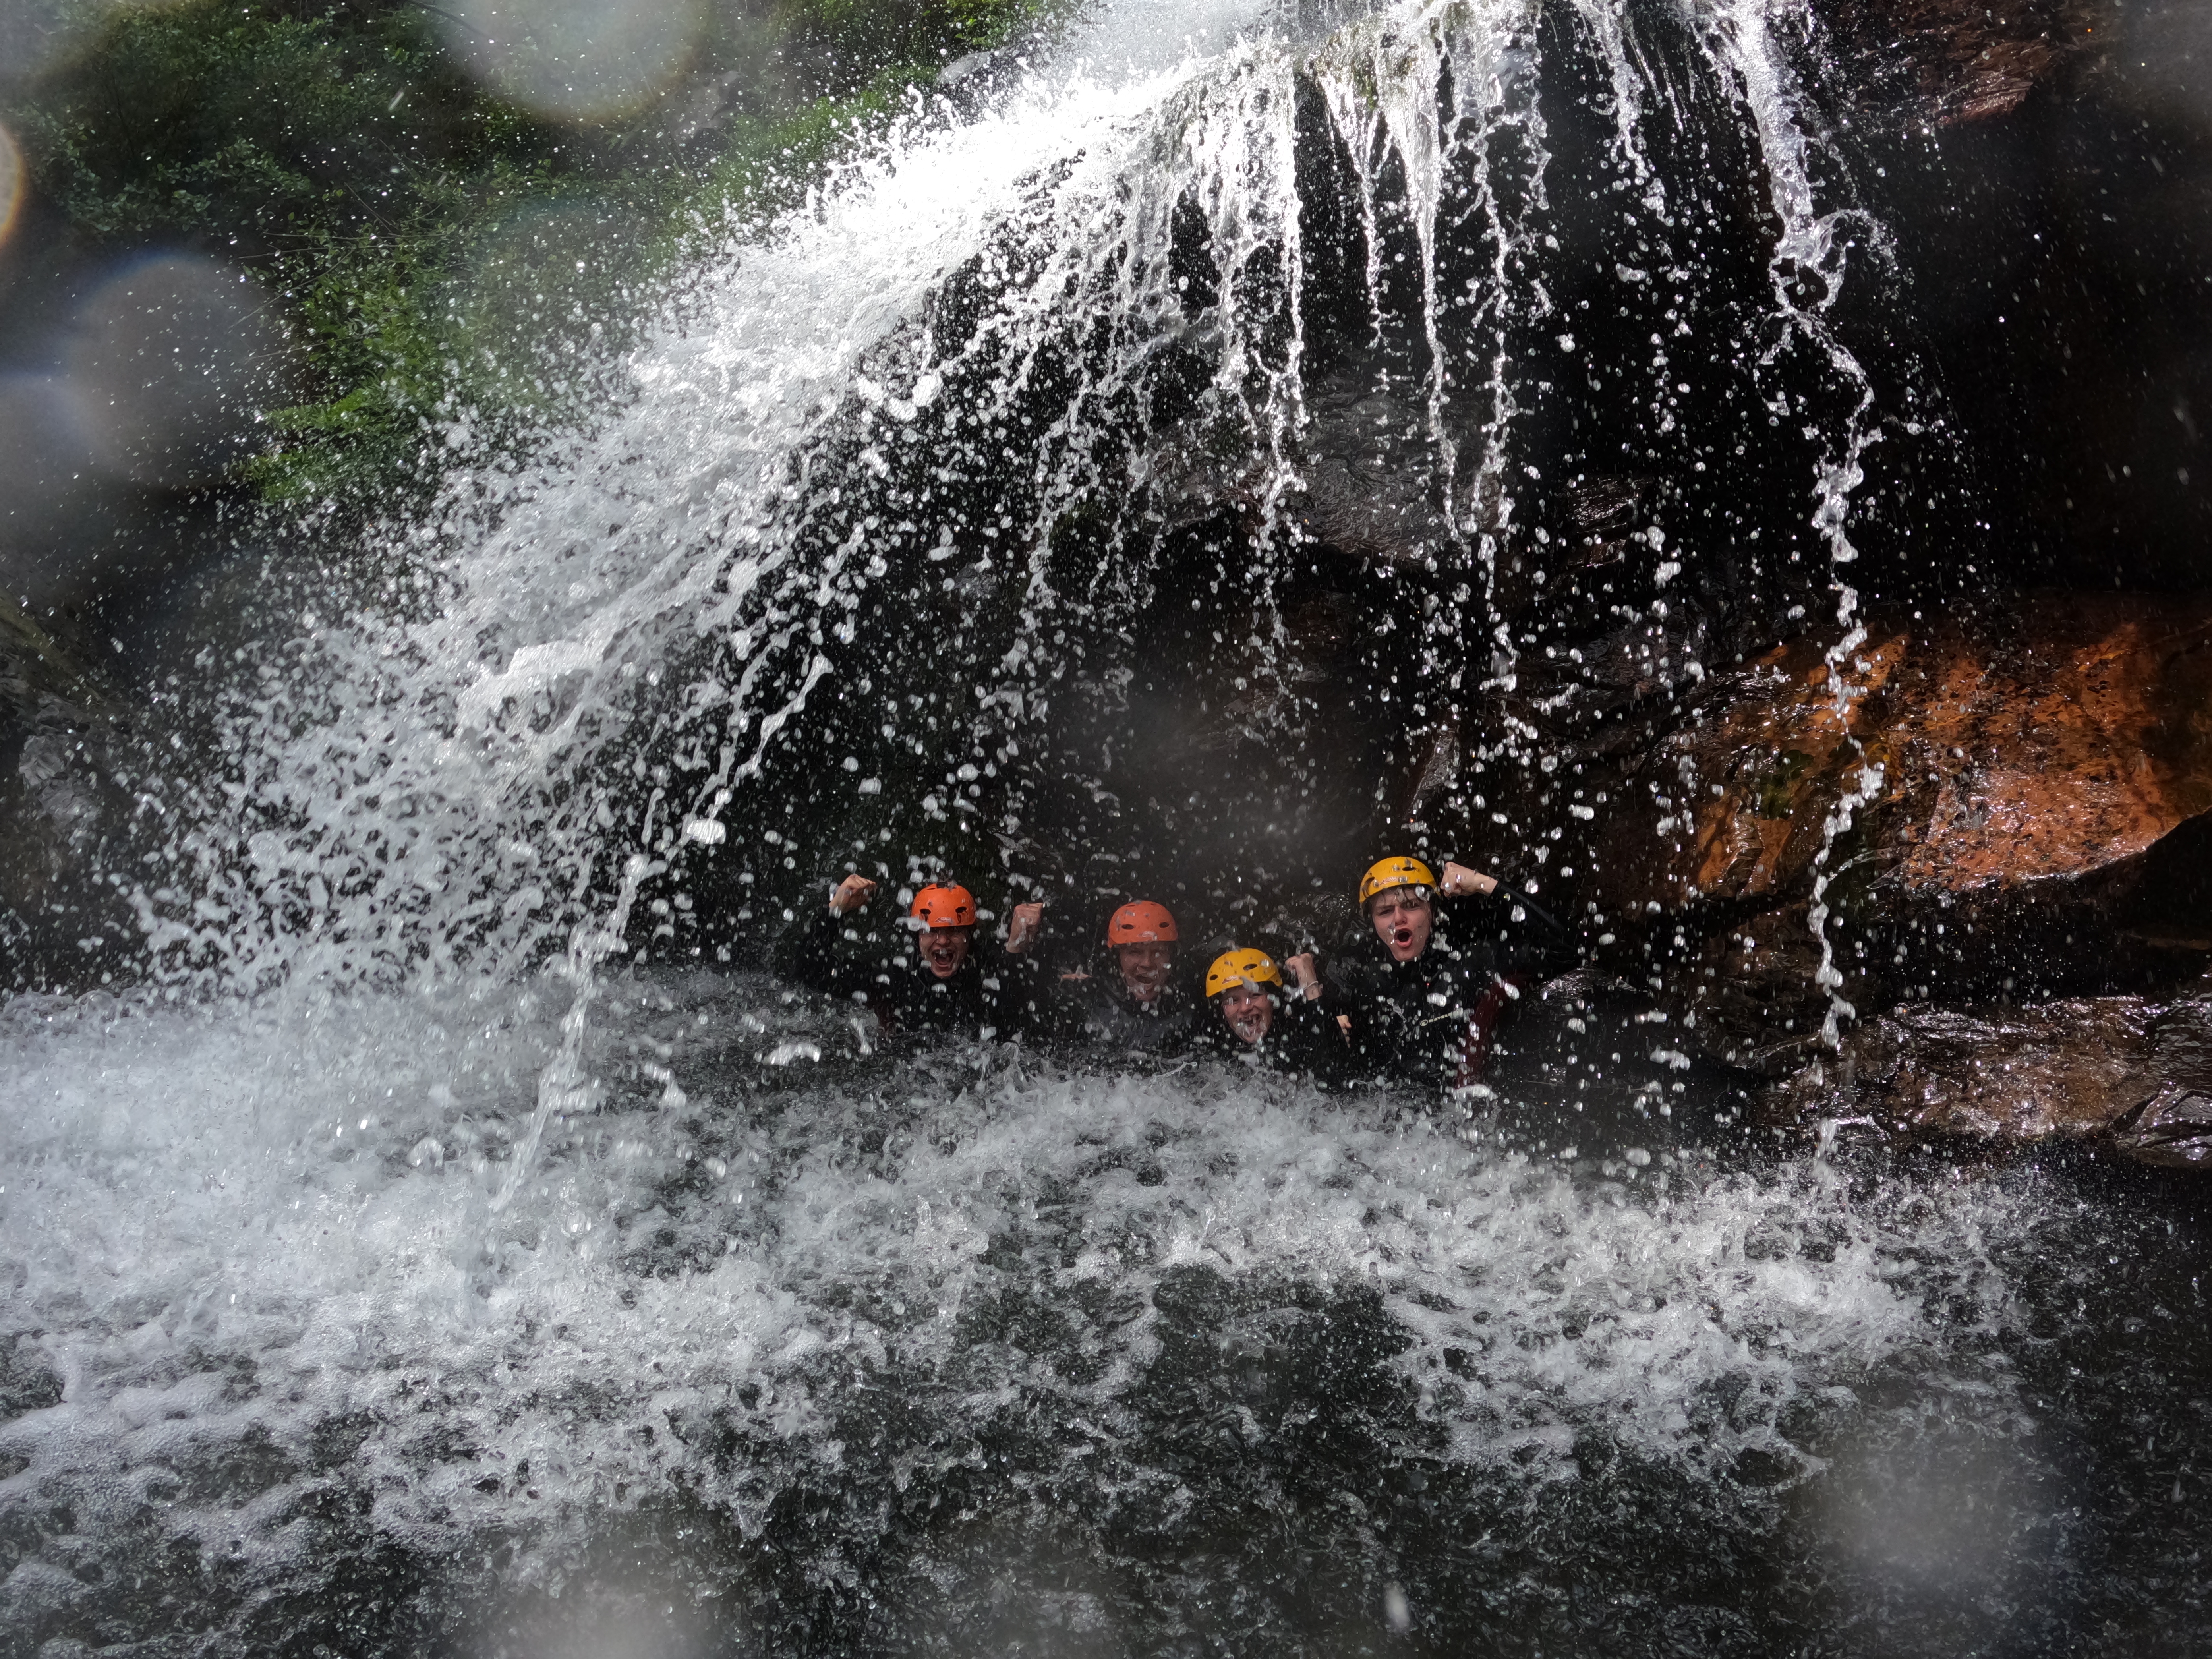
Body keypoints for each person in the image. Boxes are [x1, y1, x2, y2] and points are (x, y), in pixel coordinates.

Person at [1320, 855, 1573, 1091]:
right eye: (1385, 911)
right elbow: (1331, 1081)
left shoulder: (1470, 963)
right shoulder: (1363, 978)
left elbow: (1566, 951)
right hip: (1374, 1113)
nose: (1398, 919)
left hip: (1457, 1111)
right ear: (1374, 923)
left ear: (1431, 911)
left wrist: (1485, 884)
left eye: (1411, 905)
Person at [772, 874, 1045, 1038]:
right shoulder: (897, 979)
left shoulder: (990, 973)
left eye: (954, 931)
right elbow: (810, 970)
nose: (942, 941)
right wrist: (835, 911)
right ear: (916, 935)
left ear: (970, 935)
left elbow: (1021, 1023)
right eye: (931, 931)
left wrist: (1016, 950)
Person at [1047, 899, 1193, 1054]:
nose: (1148, 963)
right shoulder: (1085, 1000)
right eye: (1135, 952)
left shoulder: (1187, 1007)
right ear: (1117, 958)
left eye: (1159, 952)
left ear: (1172, 957)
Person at [1191, 946, 1343, 1078]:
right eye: (1233, 1000)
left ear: (1273, 999)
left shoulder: (1298, 1035)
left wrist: (1310, 985)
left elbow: (1333, 1064)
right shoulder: (1211, 1048)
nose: (1245, 1008)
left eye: (1255, 995)